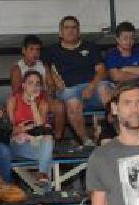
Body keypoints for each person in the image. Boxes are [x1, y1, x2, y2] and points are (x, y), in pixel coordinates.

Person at [43, 16, 112, 147]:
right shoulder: (52, 50)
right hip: (69, 90)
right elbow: (45, 67)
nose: (70, 30)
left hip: (92, 87)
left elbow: (102, 70)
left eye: (74, 27)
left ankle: (112, 133)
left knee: (105, 89)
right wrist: (52, 78)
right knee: (72, 102)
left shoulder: (90, 47)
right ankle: (87, 141)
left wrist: (91, 86)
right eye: (66, 27)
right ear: (60, 32)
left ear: (79, 31)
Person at [10, 35, 67, 142]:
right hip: (24, 99)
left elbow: (50, 86)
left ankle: (58, 139)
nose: (35, 53)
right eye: (31, 49)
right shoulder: (17, 68)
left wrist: (44, 94)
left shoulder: (43, 65)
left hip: (42, 97)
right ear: (24, 50)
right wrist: (31, 96)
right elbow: (16, 91)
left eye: (37, 50)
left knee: (59, 106)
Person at [7, 70, 57, 185]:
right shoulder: (13, 100)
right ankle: (45, 190)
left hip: (38, 142)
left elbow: (39, 127)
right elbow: (11, 130)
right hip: (19, 142)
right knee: (46, 155)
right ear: (23, 85)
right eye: (30, 83)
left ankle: (42, 177)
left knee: (47, 140)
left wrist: (33, 102)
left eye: (37, 83)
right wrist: (28, 127)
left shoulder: (43, 103)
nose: (34, 86)